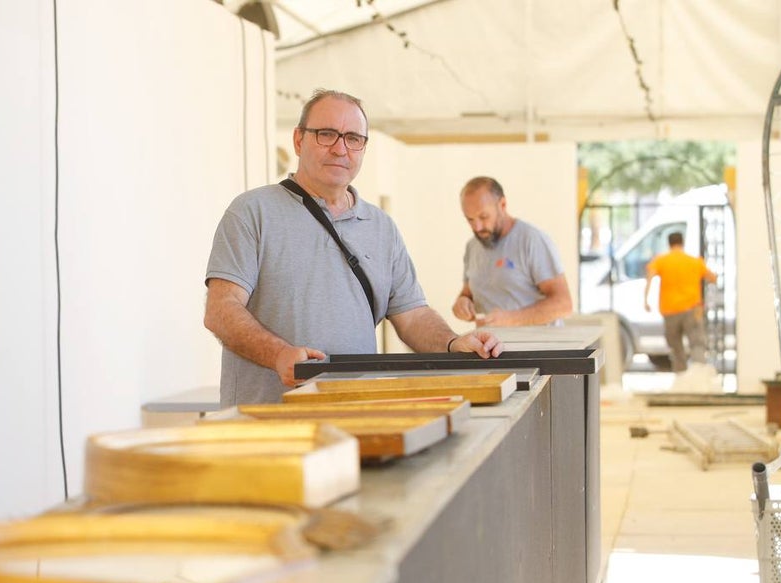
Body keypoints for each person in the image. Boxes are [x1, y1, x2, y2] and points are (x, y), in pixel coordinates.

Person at [203, 89, 503, 407]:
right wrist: (278, 354)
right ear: (298, 140)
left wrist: (453, 342)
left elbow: (412, 315)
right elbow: (220, 310)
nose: (340, 148)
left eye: (353, 138)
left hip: (356, 419)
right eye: (326, 134)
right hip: (265, 425)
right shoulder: (252, 211)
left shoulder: (381, 227)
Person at [451, 177, 573, 327]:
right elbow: (468, 292)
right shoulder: (472, 247)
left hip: (535, 348)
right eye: (470, 219)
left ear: (502, 204)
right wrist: (462, 302)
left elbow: (564, 304)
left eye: (483, 217)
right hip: (489, 348)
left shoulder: (531, 241)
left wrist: (511, 319)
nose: (477, 227)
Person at [644, 230, 718, 373]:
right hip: (692, 309)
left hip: (670, 310)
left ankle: (681, 375)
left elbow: (650, 278)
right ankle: (699, 374)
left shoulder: (661, 261)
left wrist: (646, 300)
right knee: (696, 343)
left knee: (676, 346)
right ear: (682, 242)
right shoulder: (694, 261)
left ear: (669, 243)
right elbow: (712, 278)